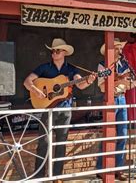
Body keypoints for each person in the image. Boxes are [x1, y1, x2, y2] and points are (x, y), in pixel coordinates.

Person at [23, 38, 96, 177]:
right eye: (52, 51)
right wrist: (36, 90)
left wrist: (89, 81)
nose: (54, 53)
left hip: (65, 109)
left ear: (64, 53)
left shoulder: (71, 70)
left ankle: (57, 176)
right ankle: (38, 176)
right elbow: (27, 81)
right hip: (47, 109)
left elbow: (80, 84)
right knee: (43, 143)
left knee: (61, 143)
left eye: (57, 51)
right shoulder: (44, 67)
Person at [96, 38, 136, 181]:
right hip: (110, 100)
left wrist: (135, 82)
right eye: (116, 48)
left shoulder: (124, 64)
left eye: (120, 48)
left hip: (122, 98)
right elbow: (103, 86)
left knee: (123, 135)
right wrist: (121, 81)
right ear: (109, 51)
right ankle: (101, 169)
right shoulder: (102, 65)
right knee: (107, 136)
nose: (119, 51)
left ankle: (119, 169)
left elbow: (128, 85)